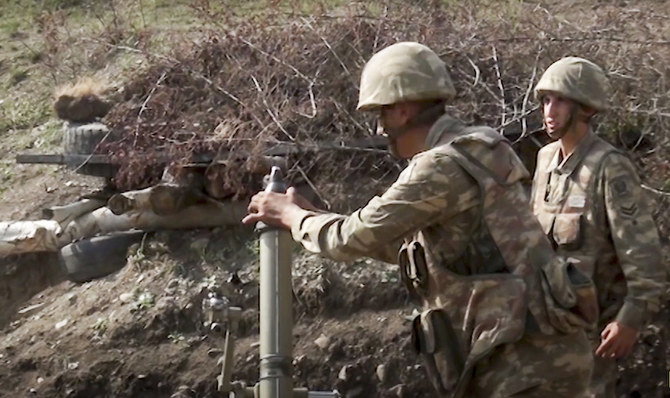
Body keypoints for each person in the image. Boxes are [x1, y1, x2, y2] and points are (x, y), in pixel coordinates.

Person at [244, 42, 595, 397]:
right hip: (539, 359)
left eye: (381, 116)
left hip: (522, 368)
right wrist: (312, 216)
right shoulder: (482, 148)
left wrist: (290, 215)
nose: (380, 131)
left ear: (402, 110)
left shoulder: (440, 166)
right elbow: (414, 251)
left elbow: (350, 238)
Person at [531, 56, 666, 398]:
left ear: (586, 109)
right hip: (542, 327)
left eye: (560, 100)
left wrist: (630, 319)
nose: (550, 110)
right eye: (546, 100)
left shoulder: (610, 168)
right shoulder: (544, 160)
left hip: (591, 335)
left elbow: (643, 256)